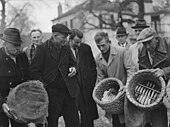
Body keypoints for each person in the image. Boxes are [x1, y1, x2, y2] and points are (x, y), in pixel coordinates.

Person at [29, 24, 80, 127]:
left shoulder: (66, 47)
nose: (66, 40)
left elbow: (73, 63)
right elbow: (34, 71)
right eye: (64, 37)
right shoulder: (42, 49)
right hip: (51, 94)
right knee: (51, 123)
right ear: (55, 35)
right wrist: (42, 84)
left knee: (74, 122)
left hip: (69, 91)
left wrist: (73, 68)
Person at [125, 27, 170, 127]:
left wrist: (164, 71)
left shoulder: (168, 43)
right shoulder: (142, 50)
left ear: (156, 38)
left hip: (168, 88)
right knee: (156, 121)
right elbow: (143, 71)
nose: (147, 46)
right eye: (144, 43)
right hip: (156, 92)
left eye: (149, 42)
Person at [94, 31, 136, 127]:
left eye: (103, 45)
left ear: (109, 42)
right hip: (113, 96)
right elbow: (101, 79)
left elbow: (130, 70)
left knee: (129, 120)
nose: (101, 48)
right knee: (117, 121)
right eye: (98, 46)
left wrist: (127, 86)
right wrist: (103, 95)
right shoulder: (98, 58)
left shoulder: (122, 51)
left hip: (126, 91)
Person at [69, 29, 99, 127]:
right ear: (70, 39)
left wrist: (91, 83)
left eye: (80, 42)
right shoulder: (64, 50)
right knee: (73, 116)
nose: (78, 44)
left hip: (86, 87)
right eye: (76, 42)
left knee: (88, 114)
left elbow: (92, 66)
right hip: (73, 89)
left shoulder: (86, 48)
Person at [0, 28, 29, 127]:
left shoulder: (22, 57)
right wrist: (2, 103)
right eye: (14, 45)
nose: (18, 48)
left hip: (18, 103)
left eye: (19, 45)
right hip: (1, 102)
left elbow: (26, 78)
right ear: (5, 43)